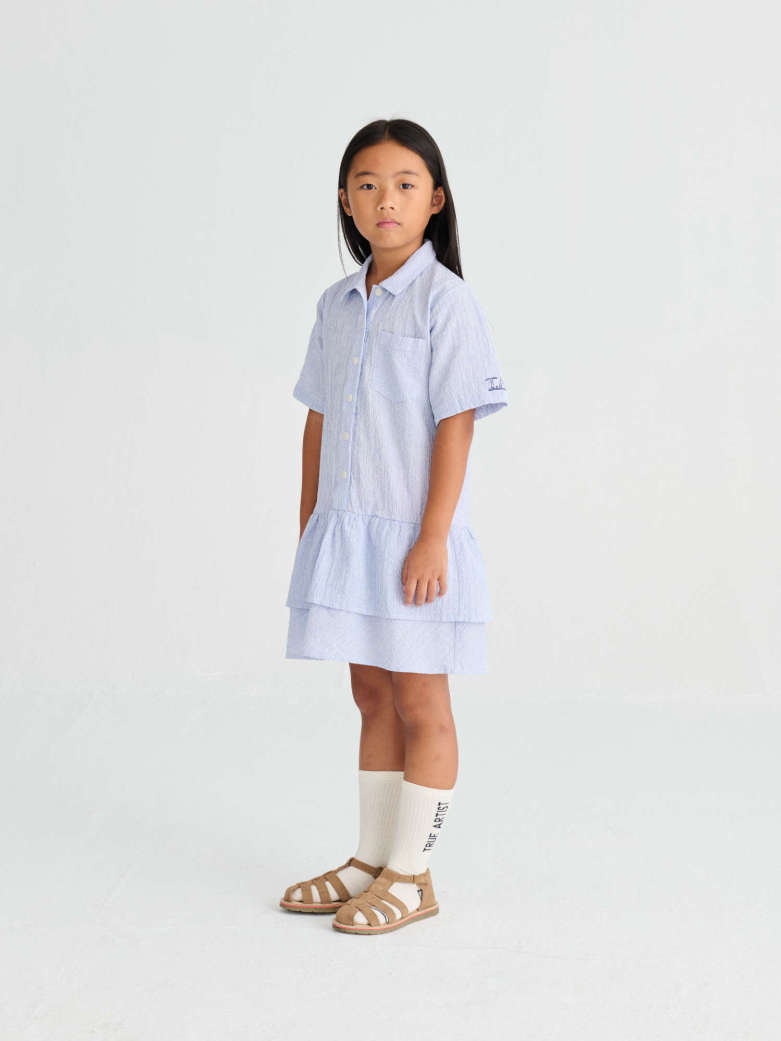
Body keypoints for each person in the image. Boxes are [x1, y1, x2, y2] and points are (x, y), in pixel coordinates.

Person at [280, 118, 509, 934]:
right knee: (370, 691)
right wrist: (311, 523)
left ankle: (412, 874)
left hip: (414, 541)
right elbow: (318, 418)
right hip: (347, 538)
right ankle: (370, 858)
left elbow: (456, 422)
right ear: (345, 200)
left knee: (420, 698)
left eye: (405, 184)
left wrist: (433, 535)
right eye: (367, 184)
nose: (385, 199)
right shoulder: (336, 305)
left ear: (435, 199)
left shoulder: (446, 302)